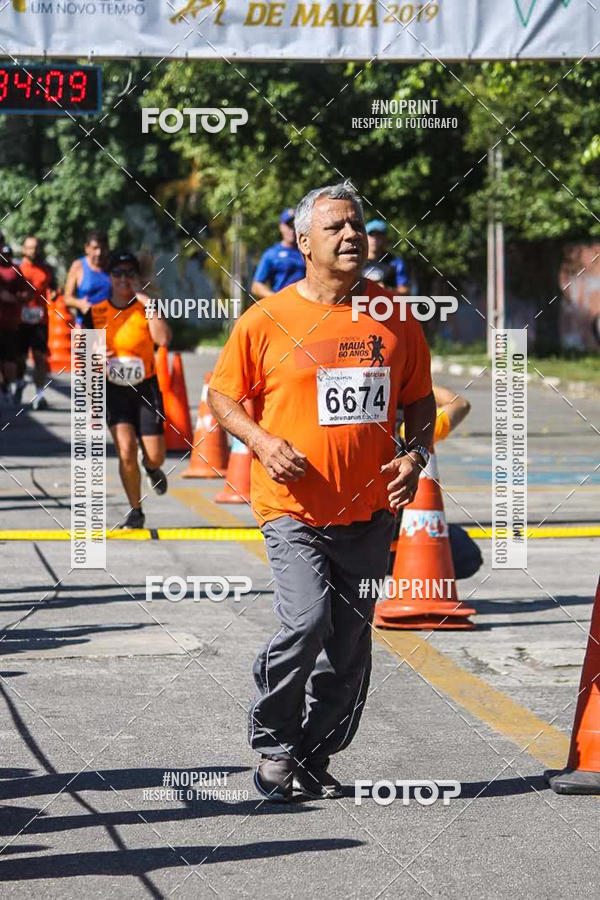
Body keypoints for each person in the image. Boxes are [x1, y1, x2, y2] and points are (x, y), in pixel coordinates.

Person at [208, 182, 435, 802]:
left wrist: (414, 455)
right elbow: (222, 395)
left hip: (370, 513)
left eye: (356, 224)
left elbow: (419, 400)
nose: (351, 235)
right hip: (293, 511)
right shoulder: (267, 318)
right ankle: (274, 744)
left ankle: (314, 754)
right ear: (304, 243)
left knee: (349, 646)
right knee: (307, 623)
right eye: (336, 226)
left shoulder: (395, 316)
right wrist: (261, 441)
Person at [82, 252, 171, 530]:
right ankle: (136, 511)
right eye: (118, 273)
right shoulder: (95, 312)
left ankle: (152, 468)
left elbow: (163, 339)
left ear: (137, 277)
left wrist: (147, 302)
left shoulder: (147, 307)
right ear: (109, 277)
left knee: (155, 455)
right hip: (114, 390)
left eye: (129, 273)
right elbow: (83, 357)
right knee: (126, 449)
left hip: (145, 388)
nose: (123, 279)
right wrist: (95, 356)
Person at [15, 236, 58, 410]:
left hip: (40, 320)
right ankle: (19, 381)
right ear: (24, 249)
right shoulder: (17, 269)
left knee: (40, 357)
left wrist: (54, 293)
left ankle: (39, 395)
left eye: (36, 247)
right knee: (20, 358)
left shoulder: (47, 269)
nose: (33, 251)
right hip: (20, 320)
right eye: (29, 247)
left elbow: (54, 287)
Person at [251, 207, 306, 298]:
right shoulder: (272, 254)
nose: (292, 229)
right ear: (281, 227)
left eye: (295, 225)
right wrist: (276, 299)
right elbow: (256, 286)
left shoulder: (307, 251)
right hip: (283, 303)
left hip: (305, 302)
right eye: (288, 225)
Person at [0, 244, 29, 406]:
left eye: (8, 255)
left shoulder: (16, 271)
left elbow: (26, 293)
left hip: (11, 323)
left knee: (10, 359)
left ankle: (8, 386)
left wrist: (14, 298)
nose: (5, 258)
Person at [64, 230, 111, 325]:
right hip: (86, 325)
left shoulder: (113, 267)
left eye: (102, 248)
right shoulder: (78, 266)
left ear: (107, 249)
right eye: (95, 248)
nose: (99, 253)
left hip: (111, 324)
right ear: (87, 248)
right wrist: (80, 304)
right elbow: (67, 299)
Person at [363, 219, 410, 294]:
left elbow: (405, 290)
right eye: (371, 235)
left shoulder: (395, 262)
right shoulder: (356, 260)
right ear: (364, 237)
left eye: (379, 236)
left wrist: (386, 290)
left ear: (385, 239)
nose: (375, 239)